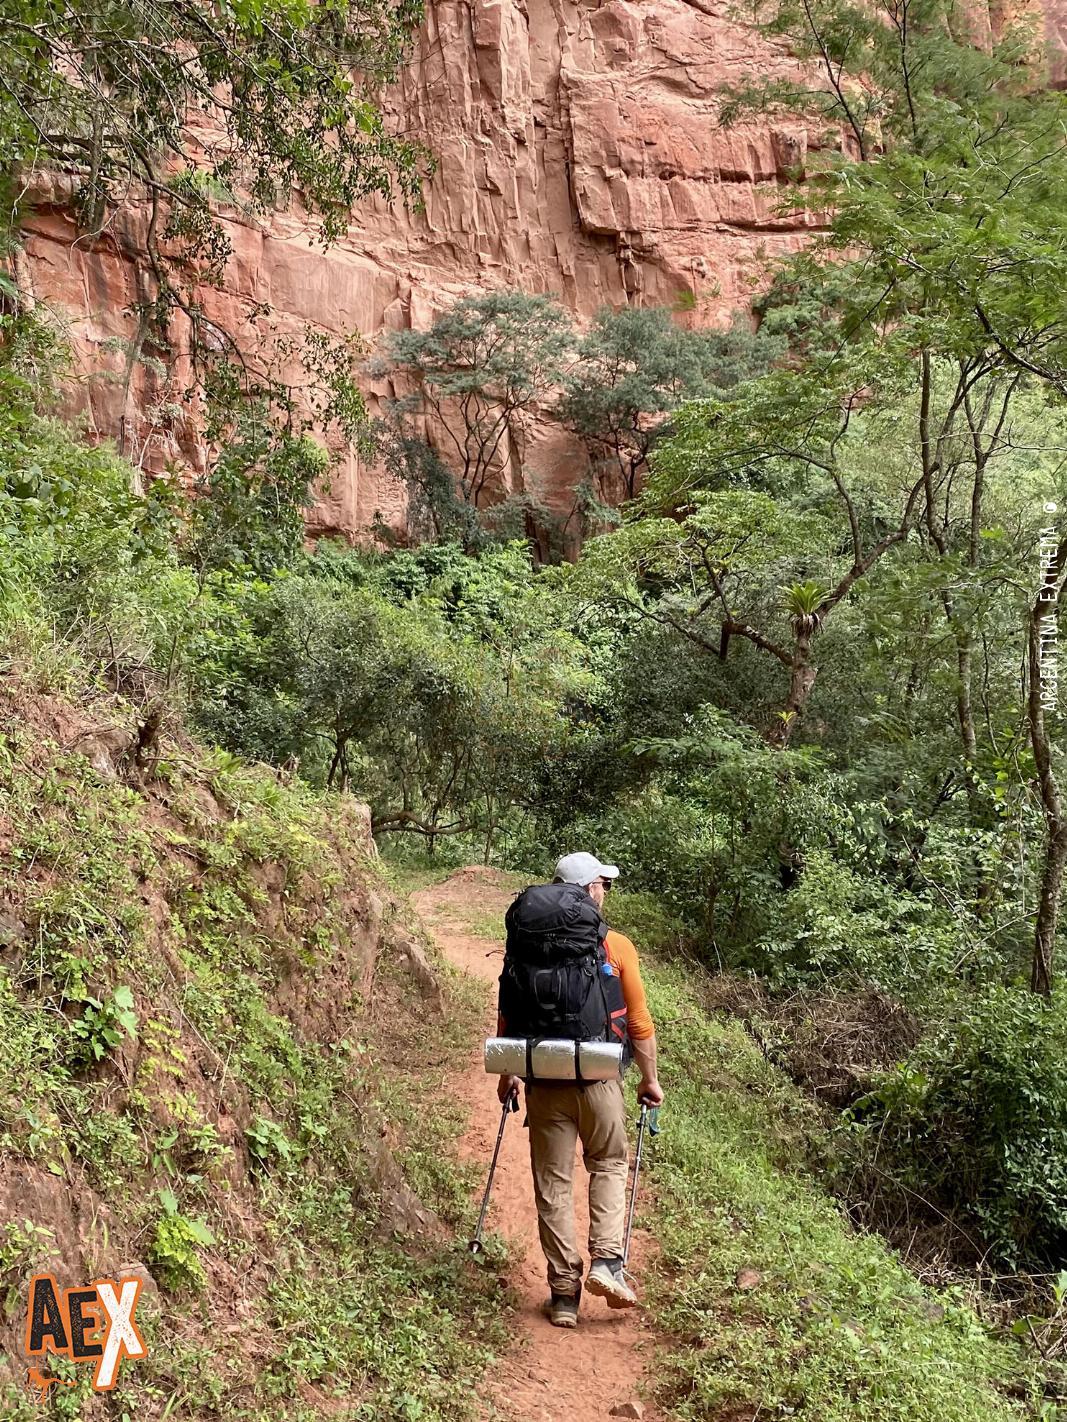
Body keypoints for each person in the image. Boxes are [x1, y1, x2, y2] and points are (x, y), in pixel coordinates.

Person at [496, 851, 664, 1329]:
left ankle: (564, 1292)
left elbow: (508, 1007)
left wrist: (510, 1072)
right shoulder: (617, 946)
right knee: (608, 1162)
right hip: (598, 1078)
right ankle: (608, 1262)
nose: (605, 891)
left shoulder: (524, 944)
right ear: (587, 890)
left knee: (553, 1181)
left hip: (542, 1080)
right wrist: (650, 1080)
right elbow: (638, 1021)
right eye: (601, 884)